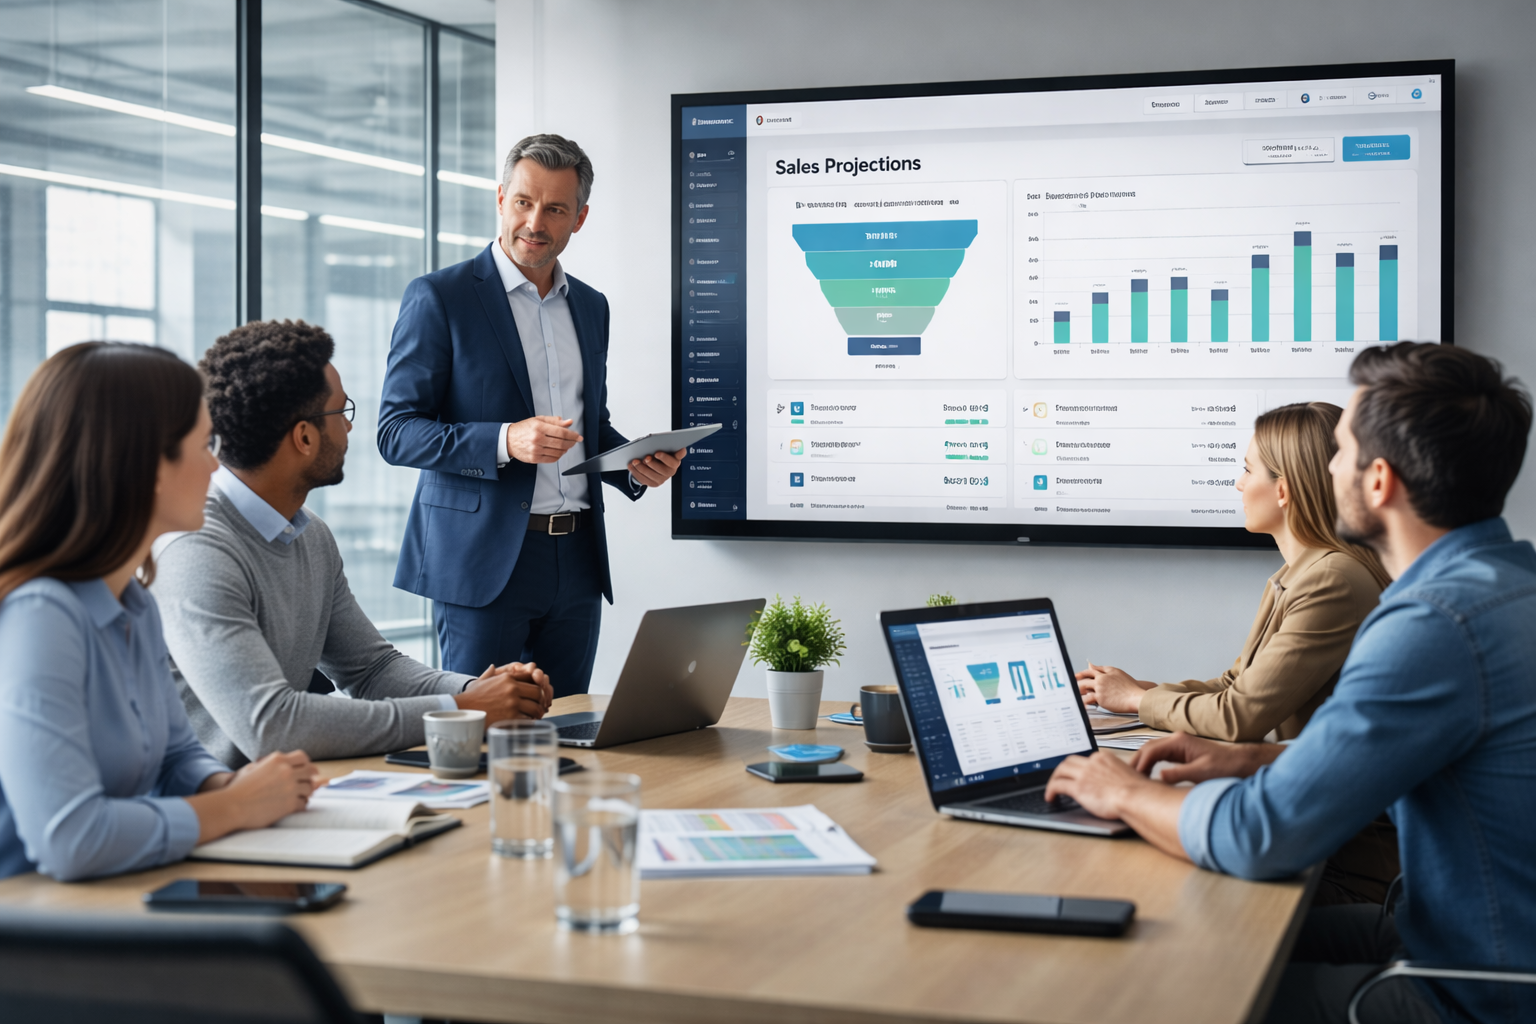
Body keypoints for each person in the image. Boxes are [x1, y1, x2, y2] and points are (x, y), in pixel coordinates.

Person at [1046, 342, 1536, 1024]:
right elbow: (1418, 764)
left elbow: (1260, 836)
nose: (1324, 468)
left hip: (1474, 988)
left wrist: (1120, 790)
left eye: (1338, 451)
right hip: (1453, 935)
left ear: (1377, 481)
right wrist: (1254, 758)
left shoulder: (1434, 626)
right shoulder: (1506, 587)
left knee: (1156, 988)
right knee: (1177, 935)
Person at [152, 321, 553, 768]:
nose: (348, 428)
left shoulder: (310, 535)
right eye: (340, 413)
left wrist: (475, 692)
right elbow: (271, 725)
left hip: (292, 796)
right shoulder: (196, 550)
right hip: (216, 817)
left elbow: (371, 670)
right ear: (304, 437)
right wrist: (462, 712)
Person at [378, 134, 684, 697]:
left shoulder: (591, 307)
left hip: (577, 559)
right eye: (523, 201)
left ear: (580, 218)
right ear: (500, 198)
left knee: (569, 732)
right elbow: (396, 432)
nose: (535, 221)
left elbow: (587, 427)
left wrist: (633, 464)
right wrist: (504, 440)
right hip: (482, 561)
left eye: (556, 208)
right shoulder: (439, 297)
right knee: (482, 738)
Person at [0, 343, 319, 882]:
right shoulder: (40, 615)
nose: (216, 463)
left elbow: (175, 759)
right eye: (203, 445)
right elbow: (70, 840)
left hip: (113, 900)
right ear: (147, 465)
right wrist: (236, 808)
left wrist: (233, 787)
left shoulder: (135, 604)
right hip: (34, 934)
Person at [1076, 403, 1399, 905]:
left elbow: (1239, 716)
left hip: (1342, 862)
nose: (1237, 485)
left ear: (1284, 489)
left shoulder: (1331, 580)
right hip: (1318, 830)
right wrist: (1135, 692)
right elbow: (1234, 685)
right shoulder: (1301, 575)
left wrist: (1139, 702)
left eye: (1247, 470)